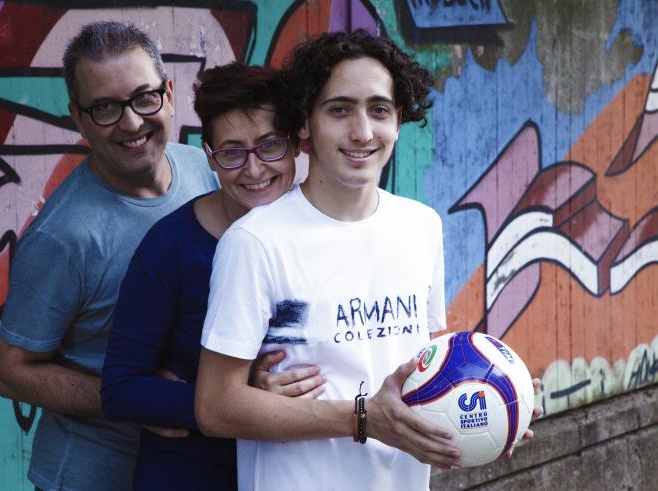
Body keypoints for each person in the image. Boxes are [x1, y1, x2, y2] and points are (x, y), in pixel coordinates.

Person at [195, 30, 539, 491]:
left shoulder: (420, 225)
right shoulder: (255, 242)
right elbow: (215, 407)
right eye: (339, 110)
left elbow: (425, 367)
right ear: (304, 124)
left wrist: (497, 398)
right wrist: (361, 418)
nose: (362, 132)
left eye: (379, 110)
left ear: (398, 120)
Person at [0, 22, 219, 491]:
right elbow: (10, 373)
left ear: (169, 94)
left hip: (186, 469)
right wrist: (136, 398)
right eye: (106, 108)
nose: (131, 123)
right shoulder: (63, 237)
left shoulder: (204, 169)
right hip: (92, 476)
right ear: (79, 118)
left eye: (143, 98)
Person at [100, 62, 326, 491]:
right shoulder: (170, 247)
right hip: (192, 475)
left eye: (269, 146)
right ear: (209, 155)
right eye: (232, 152)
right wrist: (234, 396)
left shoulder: (327, 234)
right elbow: (120, 388)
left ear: (295, 144)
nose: (254, 169)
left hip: (300, 472)